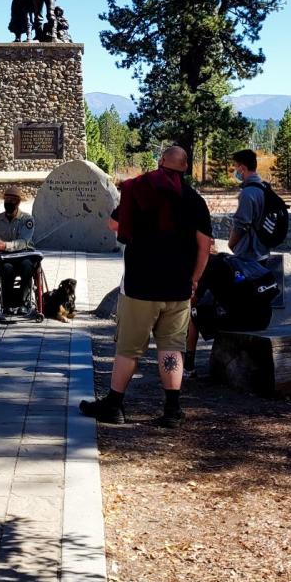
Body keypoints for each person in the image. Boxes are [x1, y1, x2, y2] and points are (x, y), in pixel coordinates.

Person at [80, 145, 211, 428]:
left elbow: (113, 226)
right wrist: (195, 279)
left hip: (140, 286)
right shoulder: (195, 201)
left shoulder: (140, 191)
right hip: (177, 288)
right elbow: (204, 246)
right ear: (185, 168)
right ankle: (172, 409)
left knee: (128, 348)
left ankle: (114, 406)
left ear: (161, 161)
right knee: (172, 348)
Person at [185, 148, 273, 368]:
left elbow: (241, 223)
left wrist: (232, 244)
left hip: (247, 254)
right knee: (251, 296)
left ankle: (189, 363)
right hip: (262, 255)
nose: (235, 171)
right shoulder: (264, 188)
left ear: (242, 168)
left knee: (204, 309)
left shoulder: (248, 193)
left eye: (235, 168)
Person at [0, 187, 43, 321]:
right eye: (6, 200)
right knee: (6, 269)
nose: (9, 202)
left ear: (18, 202)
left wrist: (5, 245)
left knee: (27, 267)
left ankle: (24, 303)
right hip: (6, 256)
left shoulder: (27, 219)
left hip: (24, 254)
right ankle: (8, 304)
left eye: (12, 200)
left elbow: (24, 242)